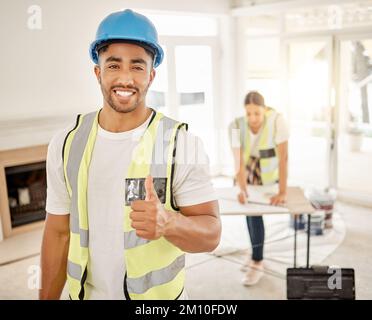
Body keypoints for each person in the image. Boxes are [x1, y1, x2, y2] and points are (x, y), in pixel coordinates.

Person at [40, 9, 221, 300]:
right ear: (98, 71)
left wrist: (170, 223)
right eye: (114, 65)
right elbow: (58, 234)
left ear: (151, 75)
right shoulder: (66, 143)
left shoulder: (179, 143)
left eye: (137, 67)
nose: (125, 78)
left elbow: (212, 235)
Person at [229, 91, 289, 286]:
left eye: (257, 113)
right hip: (246, 171)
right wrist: (242, 188)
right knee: (249, 211)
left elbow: (283, 158)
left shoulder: (278, 121)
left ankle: (257, 260)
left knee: (255, 214)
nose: (253, 118)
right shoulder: (236, 126)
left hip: (268, 176)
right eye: (249, 113)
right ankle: (256, 254)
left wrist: (282, 191)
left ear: (265, 109)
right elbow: (237, 160)